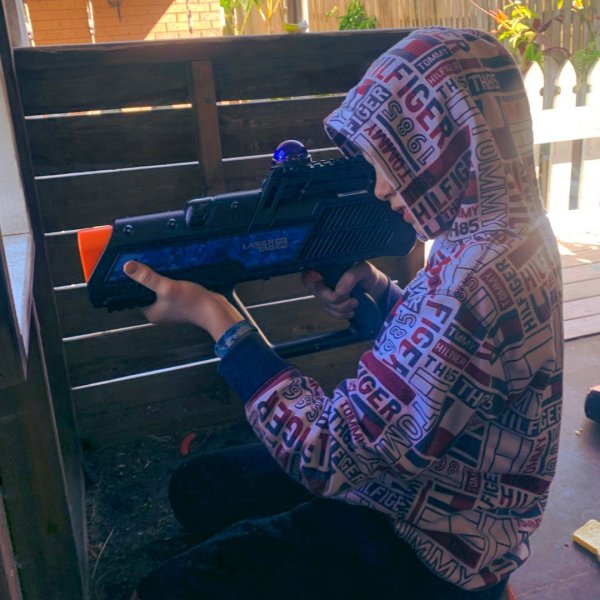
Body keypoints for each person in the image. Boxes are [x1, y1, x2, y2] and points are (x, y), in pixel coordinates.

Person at [126, 27, 563, 599]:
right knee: (199, 486)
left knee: (168, 590)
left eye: (394, 159)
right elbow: (459, 366)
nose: (379, 186)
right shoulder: (509, 231)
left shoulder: (469, 279)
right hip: (438, 486)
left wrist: (216, 318)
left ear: (448, 142)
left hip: (430, 546)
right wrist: (379, 292)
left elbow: (324, 454)